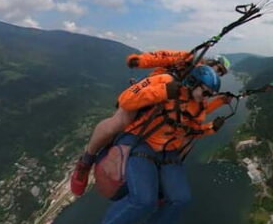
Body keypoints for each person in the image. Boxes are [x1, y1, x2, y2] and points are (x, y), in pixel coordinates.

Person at [82, 64, 230, 224]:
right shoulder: (167, 86)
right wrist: (163, 92)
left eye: (210, 95)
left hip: (168, 151)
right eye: (206, 92)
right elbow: (128, 100)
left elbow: (192, 128)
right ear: (193, 83)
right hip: (143, 144)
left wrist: (212, 126)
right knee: (143, 199)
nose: (207, 98)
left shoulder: (196, 106)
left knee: (181, 199)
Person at [69, 52, 231, 196]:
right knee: (121, 120)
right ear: (212, 61)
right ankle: (86, 161)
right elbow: (163, 57)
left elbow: (194, 113)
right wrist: (140, 61)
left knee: (185, 140)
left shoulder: (204, 83)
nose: (218, 73)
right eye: (218, 68)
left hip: (171, 108)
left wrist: (220, 102)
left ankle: (160, 181)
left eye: (221, 73)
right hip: (154, 92)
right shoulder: (190, 59)